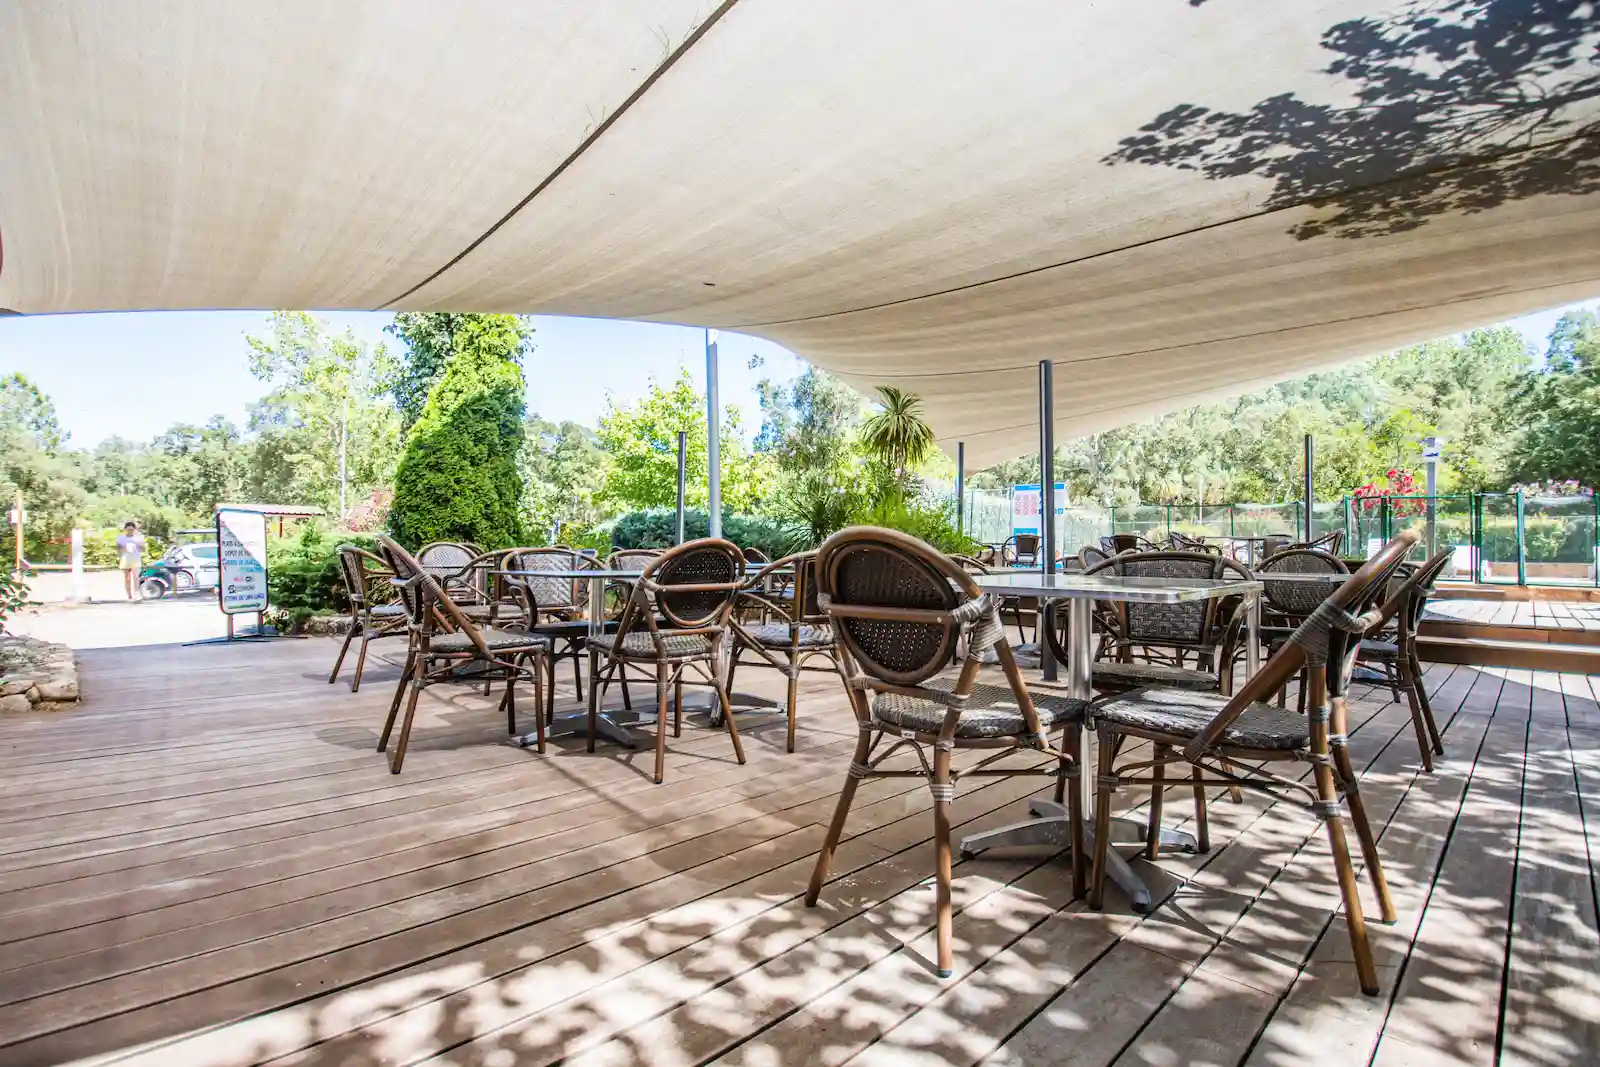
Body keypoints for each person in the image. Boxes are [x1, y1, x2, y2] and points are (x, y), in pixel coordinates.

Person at [116, 521, 147, 600]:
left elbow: (143, 549)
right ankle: (129, 594)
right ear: (125, 529)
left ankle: (136, 593)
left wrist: (137, 546)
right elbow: (118, 549)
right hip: (125, 558)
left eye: (132, 530)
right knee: (127, 578)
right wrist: (125, 548)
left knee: (136, 577)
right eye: (128, 529)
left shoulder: (138, 538)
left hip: (135, 558)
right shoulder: (121, 538)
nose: (130, 531)